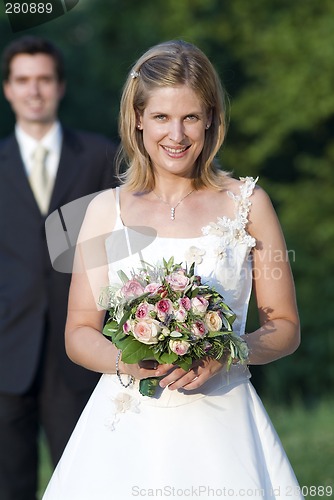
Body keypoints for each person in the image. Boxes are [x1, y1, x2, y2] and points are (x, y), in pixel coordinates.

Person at [42, 40, 304, 499]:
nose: (176, 135)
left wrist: (226, 353)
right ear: (138, 118)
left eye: (190, 117)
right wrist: (135, 363)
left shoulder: (248, 204)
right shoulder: (106, 210)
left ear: (210, 118)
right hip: (124, 430)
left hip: (224, 421)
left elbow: (284, 327)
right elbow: (80, 331)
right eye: (161, 117)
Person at [0, 36, 118, 500]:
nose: (34, 91)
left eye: (44, 79)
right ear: (8, 89)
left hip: (80, 352)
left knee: (85, 484)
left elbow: (120, 248)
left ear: (61, 86)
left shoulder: (100, 157)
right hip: (6, 350)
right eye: (23, 80)